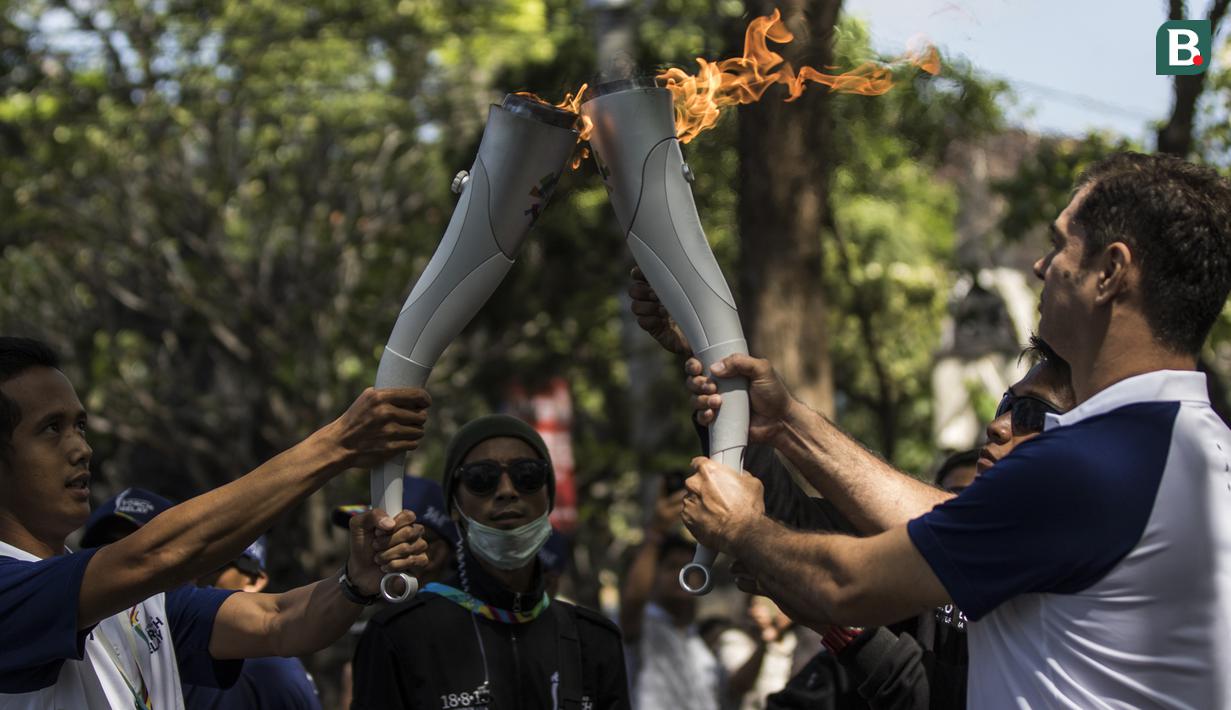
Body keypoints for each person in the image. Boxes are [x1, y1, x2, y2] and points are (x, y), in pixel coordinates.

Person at [676, 152, 1231, 707]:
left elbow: (848, 586)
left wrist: (742, 528)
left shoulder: (1093, 462)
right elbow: (935, 516)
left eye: (1060, 244)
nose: (1041, 265)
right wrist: (789, 423)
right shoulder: (1187, 449)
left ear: (1109, 272)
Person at [0, 336, 431, 708]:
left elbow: (278, 621)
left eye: (79, 425)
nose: (82, 449)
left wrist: (354, 582)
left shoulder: (135, 604)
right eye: (51, 428)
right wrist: (339, 444)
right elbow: (157, 556)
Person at [351, 414, 630, 710]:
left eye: (528, 475)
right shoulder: (400, 636)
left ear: (548, 496)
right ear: (454, 506)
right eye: (481, 478)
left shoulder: (594, 639)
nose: (507, 491)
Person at [619, 480, 725, 710]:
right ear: (654, 573)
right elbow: (633, 600)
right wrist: (656, 532)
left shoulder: (698, 641)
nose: (682, 574)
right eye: (672, 566)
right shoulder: (643, 626)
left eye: (690, 568)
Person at [183, 536, 323, 710]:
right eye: (196, 565)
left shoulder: (272, 665)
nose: (199, 577)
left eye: (217, 566)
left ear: (253, 581)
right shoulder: (174, 637)